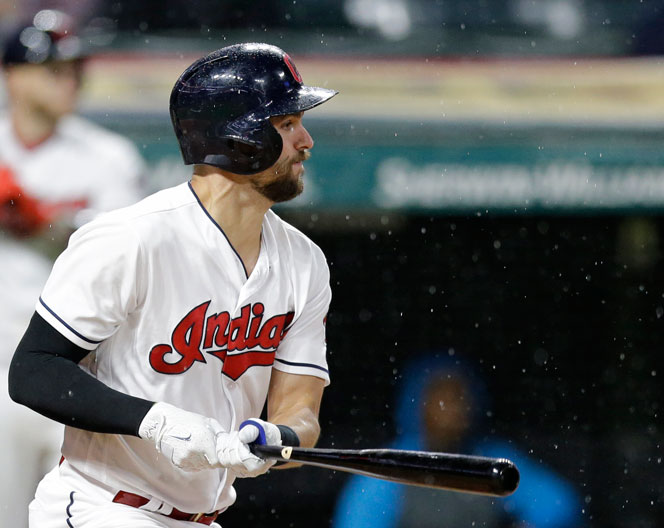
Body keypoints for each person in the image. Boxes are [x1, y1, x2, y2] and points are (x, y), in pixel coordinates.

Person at [8, 42, 337, 527]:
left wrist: (274, 436)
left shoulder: (305, 262)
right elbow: (33, 370)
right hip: (106, 506)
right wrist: (155, 421)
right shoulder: (132, 237)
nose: (306, 140)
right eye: (286, 125)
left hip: (203, 516)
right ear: (238, 138)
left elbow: (301, 411)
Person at [0, 10, 144, 526]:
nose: (70, 79)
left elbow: (119, 258)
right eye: (53, 69)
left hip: (81, 370)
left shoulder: (108, 157)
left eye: (75, 68)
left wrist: (40, 218)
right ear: (12, 74)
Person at [333, 351, 583, 528]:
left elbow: (559, 506)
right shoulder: (389, 468)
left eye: (461, 398)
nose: (456, 410)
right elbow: (356, 521)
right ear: (418, 405)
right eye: (443, 401)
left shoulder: (490, 459)